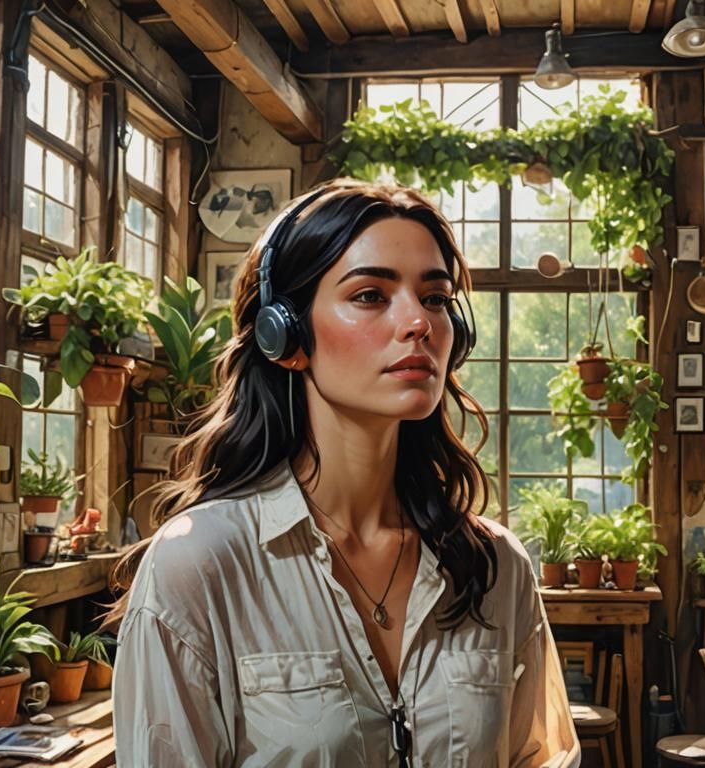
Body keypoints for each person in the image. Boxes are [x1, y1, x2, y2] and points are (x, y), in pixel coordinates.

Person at [108, 178, 578, 767]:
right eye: (370, 295)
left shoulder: (494, 566)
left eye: (434, 299)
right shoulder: (199, 567)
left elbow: (542, 757)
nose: (418, 323)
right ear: (286, 334)